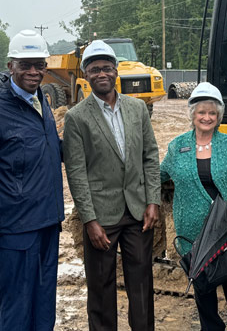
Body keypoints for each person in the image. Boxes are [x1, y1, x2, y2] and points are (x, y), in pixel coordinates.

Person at [63, 40, 161, 331]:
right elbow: (77, 173)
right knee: (101, 289)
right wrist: (89, 220)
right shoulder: (76, 117)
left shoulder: (137, 109)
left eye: (107, 68)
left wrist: (152, 201)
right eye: (94, 69)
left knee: (141, 285)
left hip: (138, 212)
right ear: (86, 75)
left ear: (116, 71)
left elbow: (150, 156)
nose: (101, 73)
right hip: (101, 217)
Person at [0, 29, 64, 330]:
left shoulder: (41, 100)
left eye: (39, 64)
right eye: (25, 64)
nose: (33, 71)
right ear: (10, 65)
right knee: (17, 303)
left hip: (49, 222)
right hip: (15, 228)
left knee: (44, 302)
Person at [160, 82, 227, 331]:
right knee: (204, 293)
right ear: (192, 114)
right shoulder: (177, 146)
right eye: (201, 112)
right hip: (194, 236)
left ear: (219, 116)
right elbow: (158, 175)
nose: (206, 117)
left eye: (212, 113)